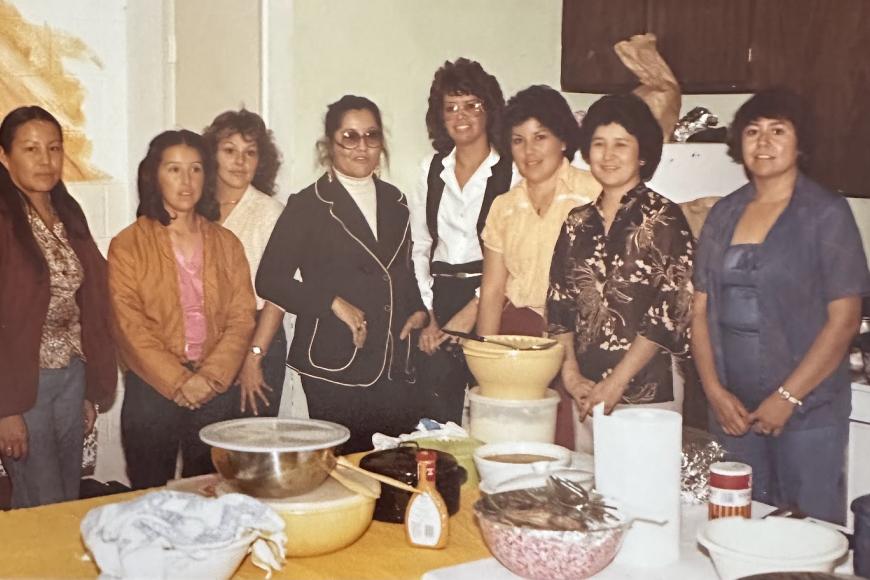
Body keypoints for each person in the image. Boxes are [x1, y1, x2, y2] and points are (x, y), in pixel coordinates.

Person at [692, 89, 870, 523]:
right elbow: (698, 309)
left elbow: (844, 319)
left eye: (777, 130)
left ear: (800, 142)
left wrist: (786, 398)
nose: (764, 142)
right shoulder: (723, 214)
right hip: (733, 412)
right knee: (734, 527)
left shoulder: (826, 214)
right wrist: (715, 393)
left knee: (807, 531)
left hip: (808, 411)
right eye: (752, 131)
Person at [257, 95, 428, 453]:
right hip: (335, 362)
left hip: (394, 364)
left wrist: (417, 309)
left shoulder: (396, 202)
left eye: (372, 135)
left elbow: (402, 271)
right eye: (350, 136)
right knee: (348, 474)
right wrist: (330, 302)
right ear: (329, 144)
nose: (362, 146)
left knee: (393, 476)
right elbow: (270, 280)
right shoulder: (307, 205)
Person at [108, 130, 256, 490]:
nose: (186, 181)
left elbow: (242, 316)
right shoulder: (128, 245)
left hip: (215, 389)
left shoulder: (227, 243)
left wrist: (210, 378)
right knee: (150, 494)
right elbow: (129, 326)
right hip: (152, 390)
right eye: (174, 170)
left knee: (211, 493)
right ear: (154, 176)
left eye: (195, 170)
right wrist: (179, 382)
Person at [547, 94, 695, 452]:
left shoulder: (665, 218)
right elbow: (559, 305)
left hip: (649, 389)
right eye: (599, 144)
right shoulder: (576, 223)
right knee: (594, 497)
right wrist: (571, 375)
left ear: (642, 153)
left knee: (642, 494)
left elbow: (671, 313)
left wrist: (617, 383)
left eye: (620, 144)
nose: (608, 155)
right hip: (585, 389)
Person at [0, 106, 116, 508]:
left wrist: (90, 389)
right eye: (30, 149)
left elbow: (92, 301)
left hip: (72, 373)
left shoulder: (67, 212)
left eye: (53, 148)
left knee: (68, 497)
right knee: (39, 501)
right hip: (20, 384)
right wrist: (4, 410)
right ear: (4, 157)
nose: (45, 160)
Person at [409, 58, 514, 424]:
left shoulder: (510, 171)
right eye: (451, 108)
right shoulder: (431, 168)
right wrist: (430, 315)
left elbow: (515, 257)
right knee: (438, 418)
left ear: (489, 110)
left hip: (492, 298)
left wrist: (472, 311)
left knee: (490, 413)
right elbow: (420, 245)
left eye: (472, 105)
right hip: (440, 299)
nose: (461, 116)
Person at [203, 109, 298, 418]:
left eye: (250, 152)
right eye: (229, 150)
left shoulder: (270, 212)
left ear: (261, 161)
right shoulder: (197, 209)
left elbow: (278, 295)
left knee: (250, 452)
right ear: (212, 155)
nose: (239, 161)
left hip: (258, 338)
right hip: (207, 339)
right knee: (204, 451)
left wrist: (254, 358)